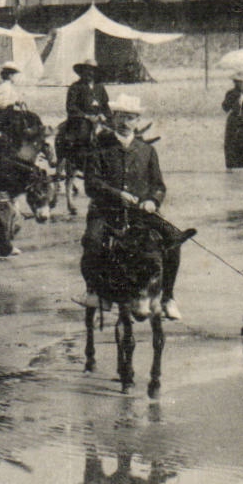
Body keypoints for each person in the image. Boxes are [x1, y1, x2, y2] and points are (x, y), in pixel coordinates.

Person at [82, 94, 182, 320]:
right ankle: (95, 291)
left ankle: (168, 297)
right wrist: (118, 195)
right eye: (122, 117)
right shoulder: (99, 147)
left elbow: (158, 185)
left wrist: (152, 201)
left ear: (137, 122)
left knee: (173, 239)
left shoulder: (146, 150)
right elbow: (91, 184)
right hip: (106, 211)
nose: (127, 123)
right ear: (113, 119)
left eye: (132, 118)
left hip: (141, 213)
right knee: (92, 241)